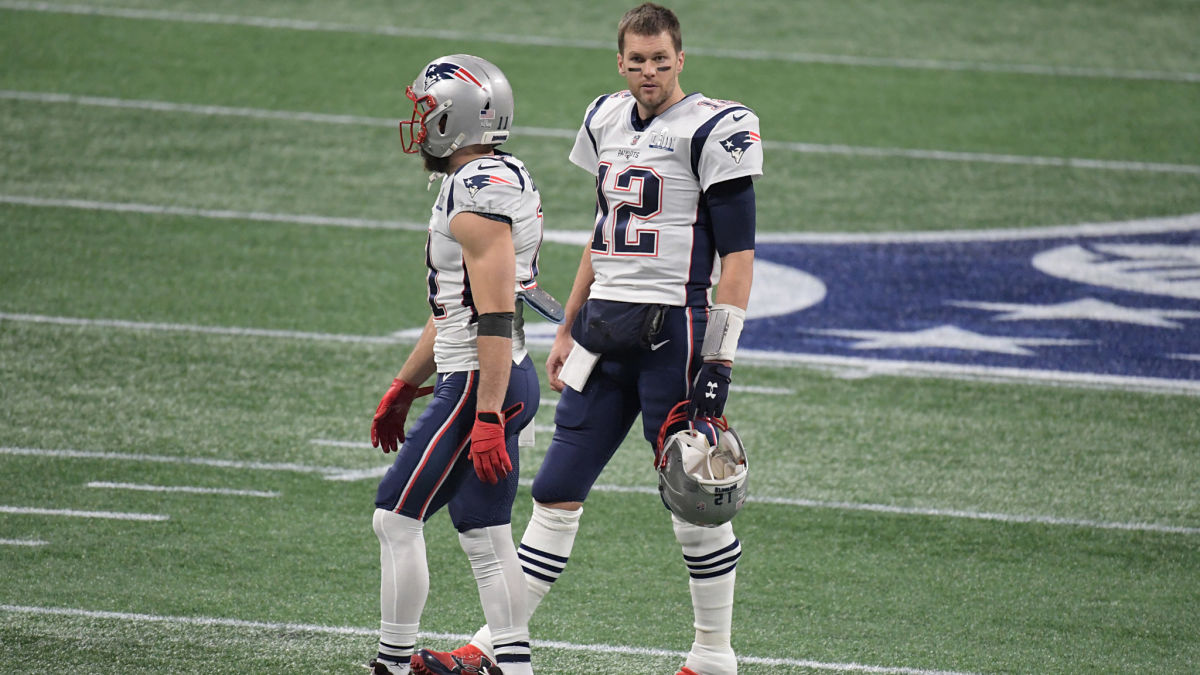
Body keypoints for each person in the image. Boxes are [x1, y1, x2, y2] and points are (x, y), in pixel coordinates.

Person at [421, 4, 762, 674]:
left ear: (681, 58)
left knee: (695, 490)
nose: (649, 73)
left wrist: (720, 359)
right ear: (620, 62)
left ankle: (714, 655)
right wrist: (570, 323)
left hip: (676, 330)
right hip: (606, 328)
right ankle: (495, 647)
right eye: (637, 61)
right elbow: (602, 235)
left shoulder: (715, 127)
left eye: (661, 60)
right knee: (555, 488)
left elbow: (740, 258)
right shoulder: (605, 116)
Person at [366, 53, 547, 675]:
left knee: (395, 518)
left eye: (427, 111)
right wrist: (404, 381)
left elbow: (493, 314)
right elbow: (456, 305)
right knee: (485, 533)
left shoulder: (475, 193)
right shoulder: (497, 175)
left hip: (480, 380)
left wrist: (488, 412)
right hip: (493, 372)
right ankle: (516, 667)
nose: (418, 123)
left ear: (455, 121)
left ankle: (391, 663)